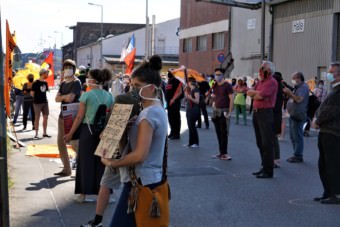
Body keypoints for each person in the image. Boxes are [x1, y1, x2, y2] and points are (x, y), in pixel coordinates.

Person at [99, 55, 168, 226]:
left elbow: (140, 155)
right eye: (131, 85)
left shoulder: (148, 114)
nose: (132, 90)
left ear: (151, 88)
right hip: (146, 180)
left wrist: (114, 163)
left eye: (137, 86)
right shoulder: (155, 110)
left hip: (141, 182)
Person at [82, 91, 141, 227]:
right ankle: (97, 220)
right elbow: (106, 134)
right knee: (106, 183)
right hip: (118, 153)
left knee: (123, 187)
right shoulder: (124, 113)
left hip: (128, 158)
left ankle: (98, 220)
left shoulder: (140, 117)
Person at [64, 68, 113, 202]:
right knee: (102, 163)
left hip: (88, 130)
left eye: (88, 77)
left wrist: (70, 133)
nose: (87, 80)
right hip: (103, 131)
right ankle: (105, 195)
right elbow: (110, 116)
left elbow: (79, 117)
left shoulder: (87, 95)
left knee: (85, 162)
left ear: (93, 80)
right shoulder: (109, 96)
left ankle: (83, 195)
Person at [313, 62, 340, 205]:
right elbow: (323, 107)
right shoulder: (333, 89)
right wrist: (316, 117)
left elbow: (332, 110)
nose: (328, 74)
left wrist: (318, 120)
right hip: (326, 130)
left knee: (331, 163)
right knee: (323, 164)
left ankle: (335, 194)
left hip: (333, 131)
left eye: (331, 72)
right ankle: (327, 192)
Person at [247, 61, 278, 178]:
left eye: (262, 68)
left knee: (266, 143)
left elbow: (260, 96)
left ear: (268, 70)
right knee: (260, 142)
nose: (260, 70)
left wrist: (255, 93)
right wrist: (255, 93)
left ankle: (268, 170)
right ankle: (264, 166)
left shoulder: (272, 82)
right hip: (257, 113)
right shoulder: (260, 82)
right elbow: (249, 92)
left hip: (265, 113)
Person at [54, 59, 82, 176]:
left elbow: (71, 98)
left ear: (74, 69)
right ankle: (66, 169)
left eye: (70, 67)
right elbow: (56, 99)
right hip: (62, 116)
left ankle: (83, 168)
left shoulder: (76, 82)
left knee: (75, 144)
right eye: (65, 67)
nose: (67, 69)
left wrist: (63, 97)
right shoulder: (63, 83)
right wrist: (63, 97)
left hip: (72, 116)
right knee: (61, 143)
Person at [283, 72, 309, 163]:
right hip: (293, 114)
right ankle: (296, 154)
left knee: (297, 136)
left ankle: (298, 155)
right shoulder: (297, 87)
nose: (293, 80)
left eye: (294, 78)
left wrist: (289, 93)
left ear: (299, 78)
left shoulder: (303, 87)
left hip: (298, 114)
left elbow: (298, 99)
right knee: (293, 136)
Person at [210, 68, 233, 161]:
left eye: (219, 74)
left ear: (223, 75)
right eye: (216, 74)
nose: (217, 76)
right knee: (218, 133)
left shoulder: (227, 85)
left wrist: (230, 112)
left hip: (224, 110)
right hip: (216, 111)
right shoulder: (214, 85)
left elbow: (231, 98)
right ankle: (221, 152)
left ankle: (225, 153)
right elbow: (214, 96)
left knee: (224, 133)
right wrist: (213, 100)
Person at [31, 68, 51, 139]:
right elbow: (32, 93)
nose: (47, 75)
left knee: (46, 117)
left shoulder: (45, 82)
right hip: (37, 103)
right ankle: (36, 134)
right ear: (42, 74)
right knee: (37, 118)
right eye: (47, 73)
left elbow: (46, 91)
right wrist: (37, 97)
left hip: (45, 102)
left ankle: (44, 133)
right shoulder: (35, 83)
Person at [165, 71, 183, 140]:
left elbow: (180, 92)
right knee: (170, 118)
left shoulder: (176, 80)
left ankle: (176, 134)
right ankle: (172, 132)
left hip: (175, 103)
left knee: (175, 118)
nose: (167, 74)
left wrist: (173, 99)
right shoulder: (169, 81)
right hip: (169, 103)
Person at [184, 78, 200, 148]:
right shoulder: (190, 90)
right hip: (189, 110)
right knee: (190, 126)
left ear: (190, 82)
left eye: (188, 82)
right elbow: (187, 98)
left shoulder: (196, 90)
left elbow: (197, 101)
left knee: (193, 126)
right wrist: (186, 93)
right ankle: (190, 142)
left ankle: (196, 143)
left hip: (194, 110)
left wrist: (190, 98)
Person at [272, 72, 284, 167]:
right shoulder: (280, 89)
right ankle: (275, 159)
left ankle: (275, 159)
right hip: (276, 115)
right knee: (273, 137)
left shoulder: (276, 90)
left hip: (273, 116)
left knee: (273, 138)